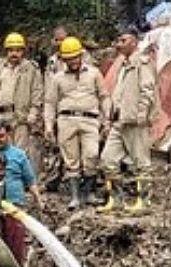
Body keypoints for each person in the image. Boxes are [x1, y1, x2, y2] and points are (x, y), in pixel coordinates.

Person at [44, 37, 111, 209]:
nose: (73, 61)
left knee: (91, 155)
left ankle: (88, 193)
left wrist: (107, 118)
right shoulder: (57, 78)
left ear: (81, 55)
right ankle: (74, 197)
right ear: (64, 59)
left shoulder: (94, 73)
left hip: (90, 119)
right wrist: (49, 126)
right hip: (66, 119)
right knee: (70, 159)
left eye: (75, 57)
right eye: (69, 58)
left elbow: (104, 96)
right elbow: (50, 103)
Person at [98, 28, 158, 214]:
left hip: (134, 120)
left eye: (123, 40)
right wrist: (110, 118)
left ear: (134, 41)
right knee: (108, 159)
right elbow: (119, 94)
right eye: (118, 40)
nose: (119, 44)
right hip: (120, 120)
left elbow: (148, 89)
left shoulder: (142, 63)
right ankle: (115, 200)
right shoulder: (123, 65)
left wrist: (142, 112)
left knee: (141, 162)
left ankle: (144, 202)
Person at [0, 119, 43, 267]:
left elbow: (30, 180)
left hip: (15, 205)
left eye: (1, 136)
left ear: (9, 135)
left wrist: (38, 198)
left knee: (16, 241)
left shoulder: (19, 156)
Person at [0, 33, 44, 170]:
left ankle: (19, 181)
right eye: (11, 50)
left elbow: (37, 92)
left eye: (17, 50)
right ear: (6, 51)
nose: (14, 53)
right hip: (1, 115)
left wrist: (33, 112)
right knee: (0, 149)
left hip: (21, 115)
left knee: (20, 152)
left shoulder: (31, 69)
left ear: (23, 51)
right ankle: (2, 181)